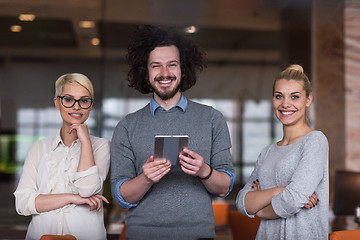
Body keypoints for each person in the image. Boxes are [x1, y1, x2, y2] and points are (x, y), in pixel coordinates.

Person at [110, 25, 235, 240]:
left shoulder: (212, 119)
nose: (164, 73)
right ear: (145, 71)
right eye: (156, 66)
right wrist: (146, 178)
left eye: (172, 65)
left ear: (183, 69)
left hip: (198, 236)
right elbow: (120, 197)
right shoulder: (127, 126)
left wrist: (204, 170)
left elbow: (225, 187)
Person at [236, 64, 329, 239]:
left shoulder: (315, 140)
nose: (285, 104)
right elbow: (242, 202)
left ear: (308, 99)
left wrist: (260, 209)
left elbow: (293, 200)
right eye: (279, 96)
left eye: (295, 97)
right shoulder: (267, 152)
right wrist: (279, 190)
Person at [14, 73, 110, 240]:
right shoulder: (39, 148)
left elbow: (88, 189)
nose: (76, 107)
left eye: (84, 100)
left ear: (91, 105)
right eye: (68, 99)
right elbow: (22, 204)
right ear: (57, 103)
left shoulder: (101, 146)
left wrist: (85, 141)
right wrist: (72, 198)